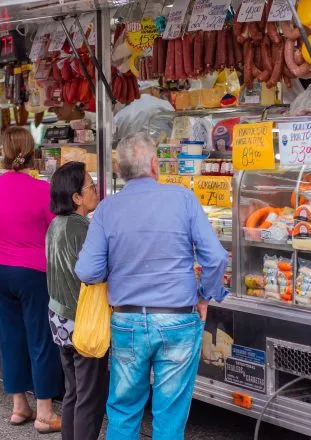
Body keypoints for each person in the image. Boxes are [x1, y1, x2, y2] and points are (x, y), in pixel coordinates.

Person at [75, 132, 228, 440]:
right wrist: (204, 294)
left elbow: (87, 271)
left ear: (120, 171)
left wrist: (118, 268)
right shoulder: (182, 197)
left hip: (127, 321)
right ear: (155, 165)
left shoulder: (107, 209)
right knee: (170, 415)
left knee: (123, 411)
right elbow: (216, 258)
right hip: (178, 320)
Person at [0, 126, 62, 433]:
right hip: (34, 272)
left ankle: (19, 406)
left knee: (10, 336)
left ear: (4, 153)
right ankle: (44, 413)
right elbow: (56, 230)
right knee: (41, 339)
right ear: (33, 154)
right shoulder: (43, 190)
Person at [46, 161, 106, 440]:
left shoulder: (56, 225)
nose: (97, 190)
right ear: (77, 198)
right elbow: (95, 273)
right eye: (91, 186)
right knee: (89, 397)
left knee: (73, 390)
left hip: (59, 316)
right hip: (82, 319)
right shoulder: (81, 228)